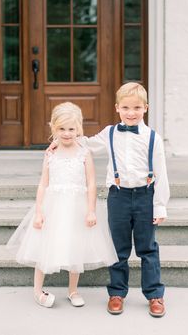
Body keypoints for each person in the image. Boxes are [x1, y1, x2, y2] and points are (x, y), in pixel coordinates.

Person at [48, 82, 170, 317]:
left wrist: (160, 205)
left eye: (136, 107)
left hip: (145, 197)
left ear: (146, 107)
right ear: (117, 108)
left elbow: (161, 173)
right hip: (118, 197)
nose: (131, 112)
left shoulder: (153, 138)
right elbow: (85, 143)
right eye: (125, 107)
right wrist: (59, 141)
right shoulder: (110, 133)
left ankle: (154, 294)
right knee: (118, 248)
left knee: (148, 248)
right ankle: (117, 293)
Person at [7, 102, 118, 308]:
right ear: (53, 129)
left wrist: (91, 210)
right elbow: (43, 183)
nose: (67, 134)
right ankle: (37, 290)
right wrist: (39, 211)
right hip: (53, 205)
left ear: (79, 129)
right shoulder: (51, 153)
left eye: (71, 129)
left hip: (77, 206)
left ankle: (73, 290)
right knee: (44, 245)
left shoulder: (84, 153)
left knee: (75, 244)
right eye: (62, 129)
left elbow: (91, 182)